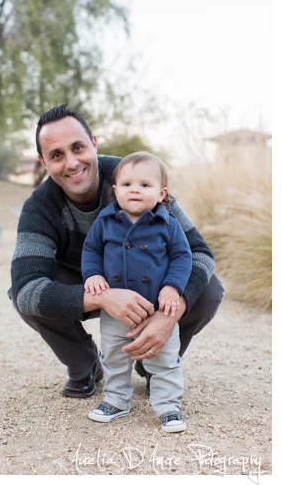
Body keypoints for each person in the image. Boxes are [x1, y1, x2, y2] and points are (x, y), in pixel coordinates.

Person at [10, 105, 222, 401]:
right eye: (56, 155)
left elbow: (199, 253)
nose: (71, 163)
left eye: (78, 147)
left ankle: (155, 361)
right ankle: (85, 365)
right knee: (30, 297)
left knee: (208, 289)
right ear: (43, 162)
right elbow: (25, 289)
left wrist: (168, 314)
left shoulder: (137, 178)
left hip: (151, 288)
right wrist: (100, 296)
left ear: (94, 144)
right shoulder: (39, 208)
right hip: (89, 284)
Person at [81, 152, 192, 432]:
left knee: (165, 359)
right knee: (115, 356)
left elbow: (183, 256)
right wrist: (92, 274)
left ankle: (168, 405)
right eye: (128, 184)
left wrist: (172, 287)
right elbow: (91, 250)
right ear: (116, 191)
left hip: (157, 308)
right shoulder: (105, 221)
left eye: (145, 185)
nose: (135, 190)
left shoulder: (167, 224)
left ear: (161, 193)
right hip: (116, 311)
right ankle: (117, 399)